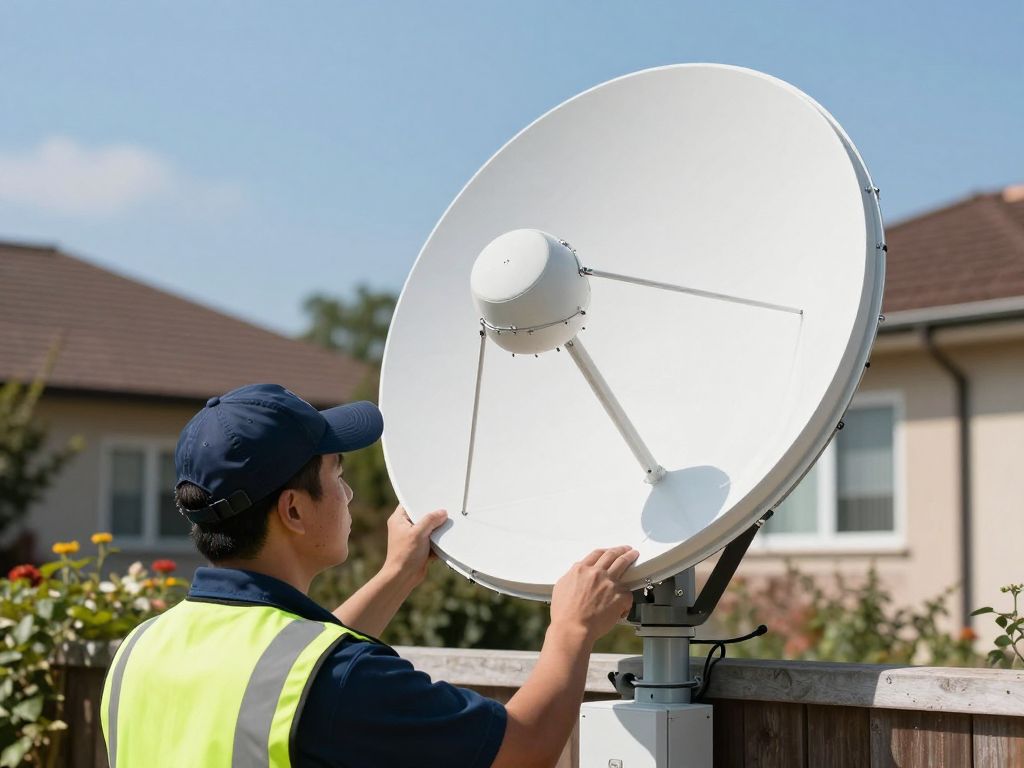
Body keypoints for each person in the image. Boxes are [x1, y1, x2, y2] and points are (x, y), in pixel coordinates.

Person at [100, 383, 638, 768]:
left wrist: (396, 576)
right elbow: (522, 749)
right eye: (337, 475)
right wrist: (571, 630)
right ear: (293, 510)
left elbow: (284, 674)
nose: (349, 494)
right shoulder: (343, 676)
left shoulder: (140, 649)